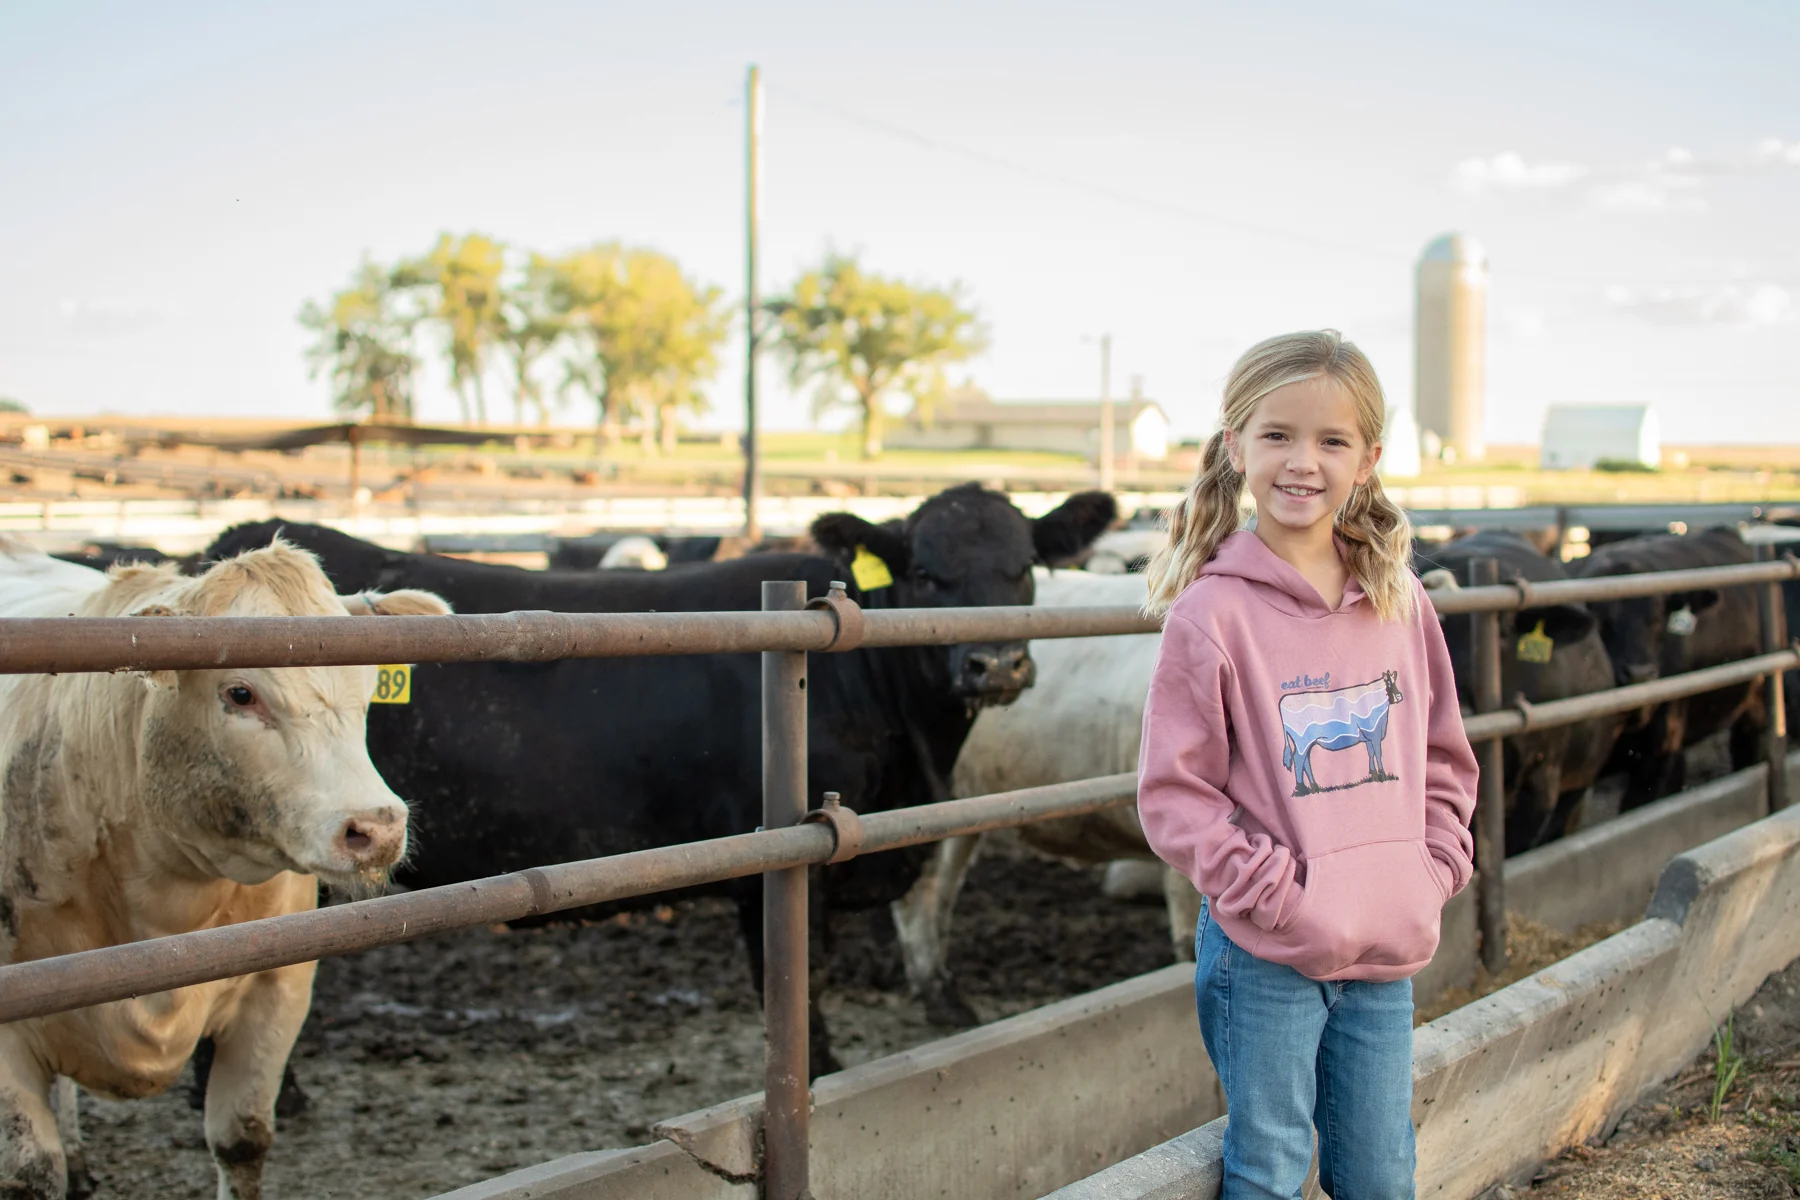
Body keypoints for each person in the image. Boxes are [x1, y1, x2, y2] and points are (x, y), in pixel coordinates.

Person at [1137, 329, 1478, 1199]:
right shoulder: (1212, 615)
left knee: (1382, 1170)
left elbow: (1443, 753)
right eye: (1278, 435)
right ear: (1235, 446)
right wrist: (1274, 894)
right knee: (1271, 1164)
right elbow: (1177, 795)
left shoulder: (1400, 600)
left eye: (1331, 441)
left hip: (1386, 943)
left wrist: (1430, 866)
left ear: (1367, 459)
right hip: (1265, 951)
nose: (1302, 462)